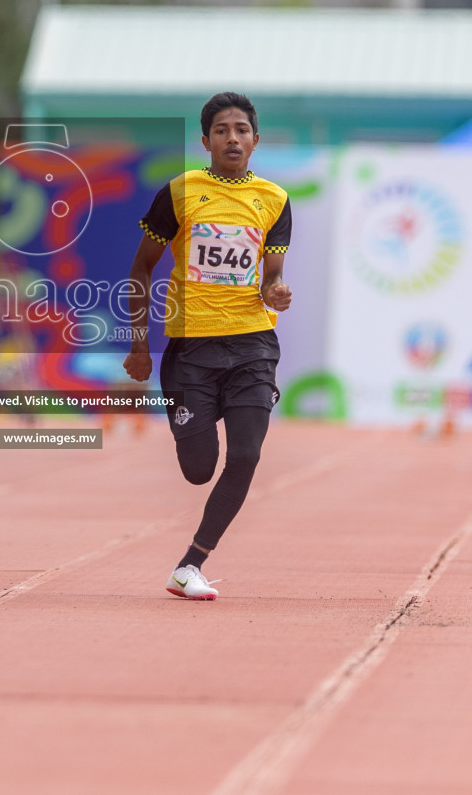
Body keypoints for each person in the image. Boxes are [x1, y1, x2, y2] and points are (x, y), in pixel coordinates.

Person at [123, 92, 293, 600]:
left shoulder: (276, 200)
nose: (232, 138)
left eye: (241, 129)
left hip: (252, 346)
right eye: (222, 130)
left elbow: (272, 279)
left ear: (256, 140)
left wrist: (277, 292)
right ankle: (201, 411)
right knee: (199, 470)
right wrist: (138, 345)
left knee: (245, 455)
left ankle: (190, 564)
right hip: (191, 349)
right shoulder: (179, 193)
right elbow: (140, 270)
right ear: (205, 141)